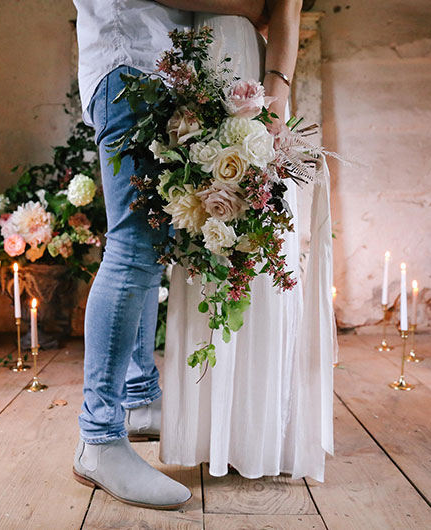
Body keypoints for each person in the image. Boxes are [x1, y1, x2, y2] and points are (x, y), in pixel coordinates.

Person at [71, 0, 269, 510]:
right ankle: (98, 439)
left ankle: (137, 401)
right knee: (134, 249)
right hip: (129, 64)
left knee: (150, 248)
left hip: (146, 65)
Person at [160, 0, 337, 482]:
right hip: (193, 74)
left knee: (257, 249)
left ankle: (258, 434)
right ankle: (208, 432)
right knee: (203, 242)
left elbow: (286, 5)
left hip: (243, 67)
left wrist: (275, 100)